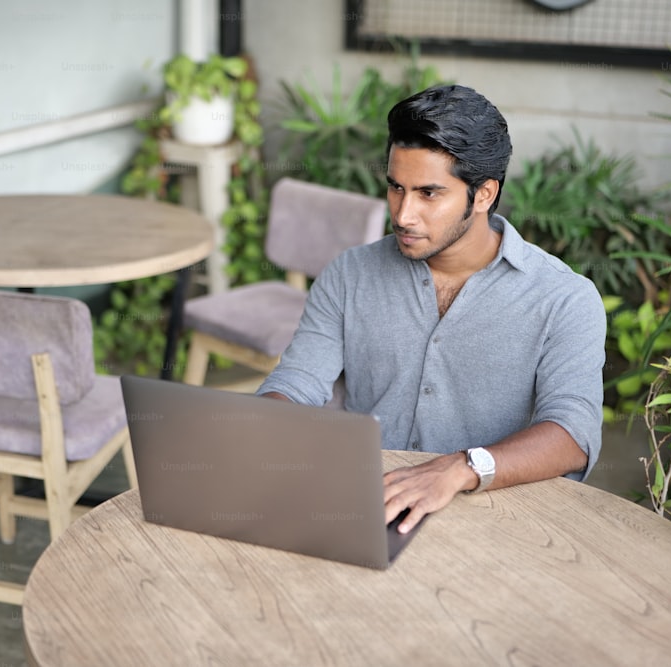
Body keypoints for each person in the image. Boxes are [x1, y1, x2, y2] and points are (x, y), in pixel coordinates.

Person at [258, 83, 605, 535]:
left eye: (428, 194)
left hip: (493, 524)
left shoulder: (564, 299)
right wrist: (264, 429)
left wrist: (461, 468)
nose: (403, 214)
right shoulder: (350, 274)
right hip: (364, 511)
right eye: (396, 188)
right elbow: (298, 382)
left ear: (482, 195)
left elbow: (573, 432)